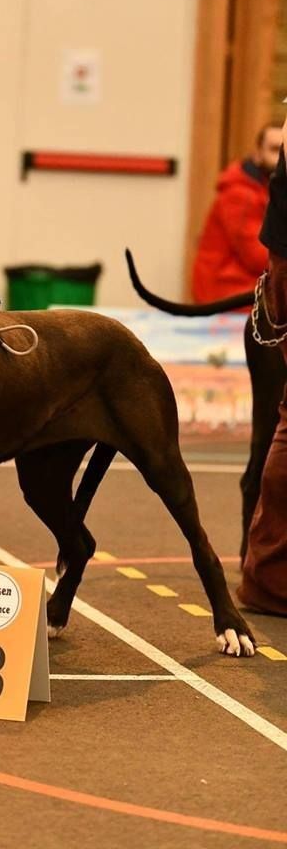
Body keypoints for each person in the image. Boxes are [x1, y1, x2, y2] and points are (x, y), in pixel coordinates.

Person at [237, 111, 287, 618]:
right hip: (267, 293)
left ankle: (263, 575)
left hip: (272, 284)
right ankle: (264, 577)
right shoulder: (237, 193)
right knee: (274, 434)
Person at [191, 124, 283, 305]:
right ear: (257, 154)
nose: (281, 157)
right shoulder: (241, 195)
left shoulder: (269, 190)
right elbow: (258, 256)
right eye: (274, 150)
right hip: (229, 293)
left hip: (249, 291)